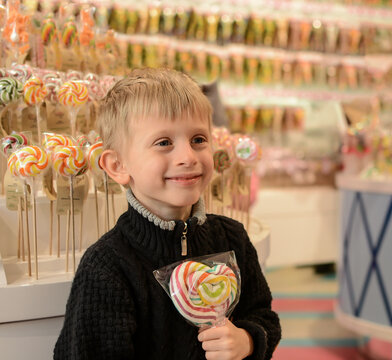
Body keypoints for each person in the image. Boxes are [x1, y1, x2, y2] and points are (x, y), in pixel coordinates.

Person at [54, 68, 281, 360]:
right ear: (117, 166)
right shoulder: (108, 268)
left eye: (198, 139)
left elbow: (264, 316)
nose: (187, 157)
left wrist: (247, 339)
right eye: (164, 143)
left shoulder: (231, 237)